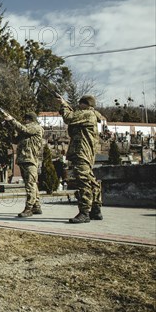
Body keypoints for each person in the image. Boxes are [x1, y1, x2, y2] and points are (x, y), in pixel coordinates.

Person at [59, 95, 101, 223]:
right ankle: (96, 209)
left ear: (85, 104)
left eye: (80, 104)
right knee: (91, 180)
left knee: (83, 181)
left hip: (82, 152)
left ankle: (84, 212)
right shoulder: (90, 115)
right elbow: (73, 128)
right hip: (85, 152)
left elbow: (68, 118)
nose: (78, 106)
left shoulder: (88, 114)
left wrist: (63, 105)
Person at [4, 112, 44, 217]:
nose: (24, 121)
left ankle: (29, 208)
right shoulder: (26, 131)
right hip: (24, 159)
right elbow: (15, 140)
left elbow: (23, 129)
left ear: (29, 119)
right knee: (31, 184)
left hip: (30, 159)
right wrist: (10, 127)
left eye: (25, 119)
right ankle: (36, 206)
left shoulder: (36, 127)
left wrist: (12, 120)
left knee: (30, 184)